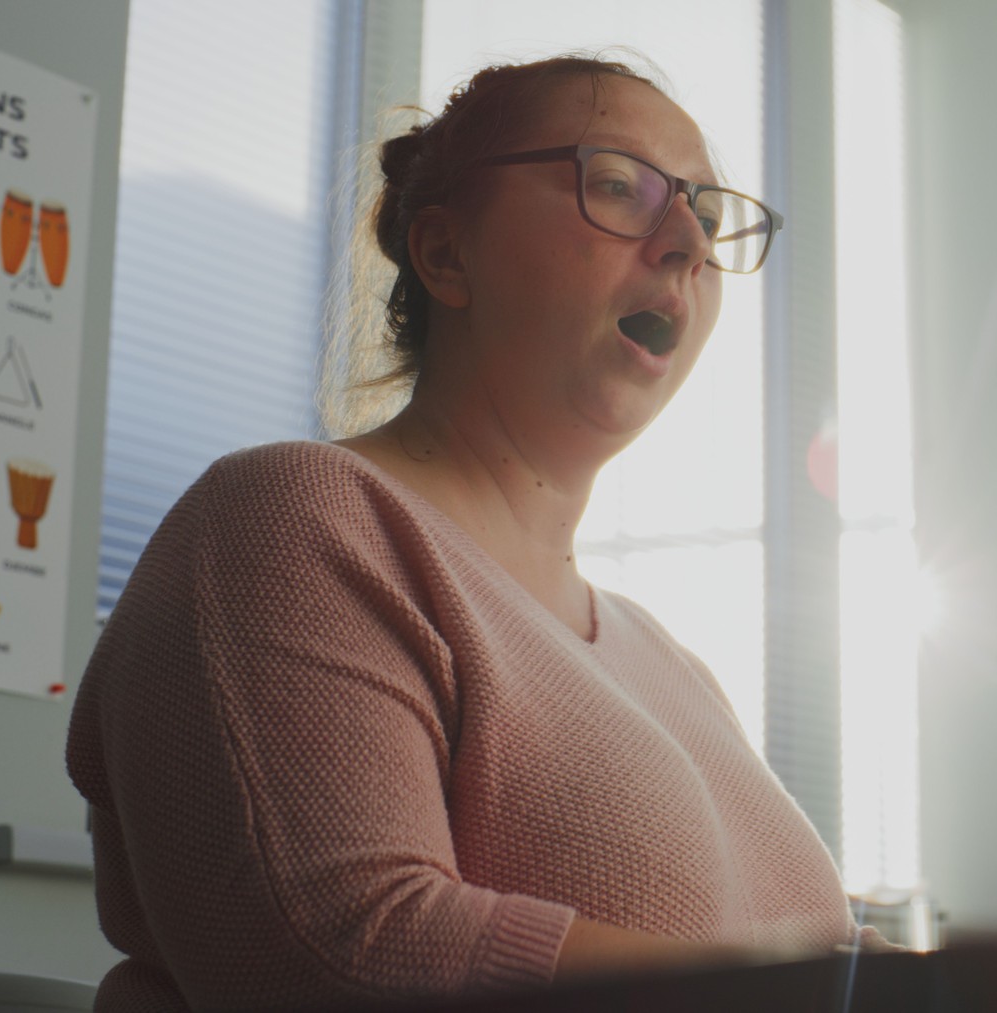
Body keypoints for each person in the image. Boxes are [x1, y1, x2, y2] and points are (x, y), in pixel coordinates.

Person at [67, 56, 874, 1011]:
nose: (690, 241)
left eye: (705, 209)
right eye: (620, 184)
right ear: (447, 255)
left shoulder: (673, 664)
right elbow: (339, 952)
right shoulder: (294, 519)